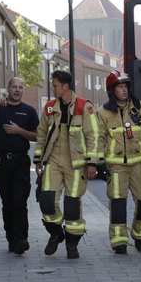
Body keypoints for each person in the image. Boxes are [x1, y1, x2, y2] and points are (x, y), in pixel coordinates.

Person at [33, 69, 101, 259]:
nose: (53, 88)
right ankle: (56, 234)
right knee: (46, 201)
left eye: (55, 85)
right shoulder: (49, 108)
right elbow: (41, 135)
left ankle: (72, 243)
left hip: (76, 164)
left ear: (65, 86)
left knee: (72, 207)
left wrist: (92, 163)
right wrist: (38, 160)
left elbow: (93, 135)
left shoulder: (83, 107)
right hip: (54, 160)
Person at [96, 69, 141, 254]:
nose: (124, 90)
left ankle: (140, 236)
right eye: (120, 87)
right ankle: (119, 241)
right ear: (111, 90)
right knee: (118, 204)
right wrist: (99, 162)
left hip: (139, 164)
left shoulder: (140, 108)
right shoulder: (103, 113)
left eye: (125, 86)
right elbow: (98, 138)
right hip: (116, 167)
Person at [0, 77, 39, 255]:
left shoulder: (29, 111)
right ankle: (11, 238)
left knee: (19, 200)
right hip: (2, 162)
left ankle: (22, 238)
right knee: (7, 202)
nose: (17, 90)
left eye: (20, 87)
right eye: (14, 87)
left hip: (21, 161)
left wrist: (19, 131)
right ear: (8, 89)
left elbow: (37, 136)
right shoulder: (0, 108)